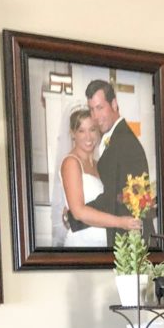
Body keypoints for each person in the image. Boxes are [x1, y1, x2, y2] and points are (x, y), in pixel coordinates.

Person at [67, 80, 147, 249]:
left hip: (128, 243)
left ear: (114, 104)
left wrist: (74, 216)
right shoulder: (116, 137)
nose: (95, 117)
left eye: (100, 108)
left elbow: (115, 199)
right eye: (92, 109)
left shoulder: (123, 142)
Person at [60, 109, 139, 248]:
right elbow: (78, 212)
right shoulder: (71, 163)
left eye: (92, 129)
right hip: (82, 244)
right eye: (81, 131)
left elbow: (108, 200)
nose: (88, 137)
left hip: (106, 243)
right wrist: (120, 222)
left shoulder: (100, 164)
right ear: (73, 134)